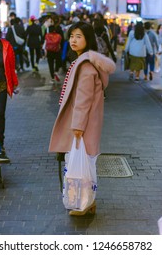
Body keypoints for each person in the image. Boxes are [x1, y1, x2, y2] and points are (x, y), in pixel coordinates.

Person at [48, 21, 116, 216]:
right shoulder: (85, 61)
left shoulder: (85, 66)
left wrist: (77, 126)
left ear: (88, 39)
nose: (73, 40)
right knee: (86, 163)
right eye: (71, 36)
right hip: (88, 123)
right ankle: (88, 202)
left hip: (82, 126)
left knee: (81, 165)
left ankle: (83, 203)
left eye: (79, 36)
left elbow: (82, 100)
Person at [0, 20, 19, 160]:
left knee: (0, 114)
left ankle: (0, 144)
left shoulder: (5, 45)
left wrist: (13, 83)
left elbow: (11, 65)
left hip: (1, 85)